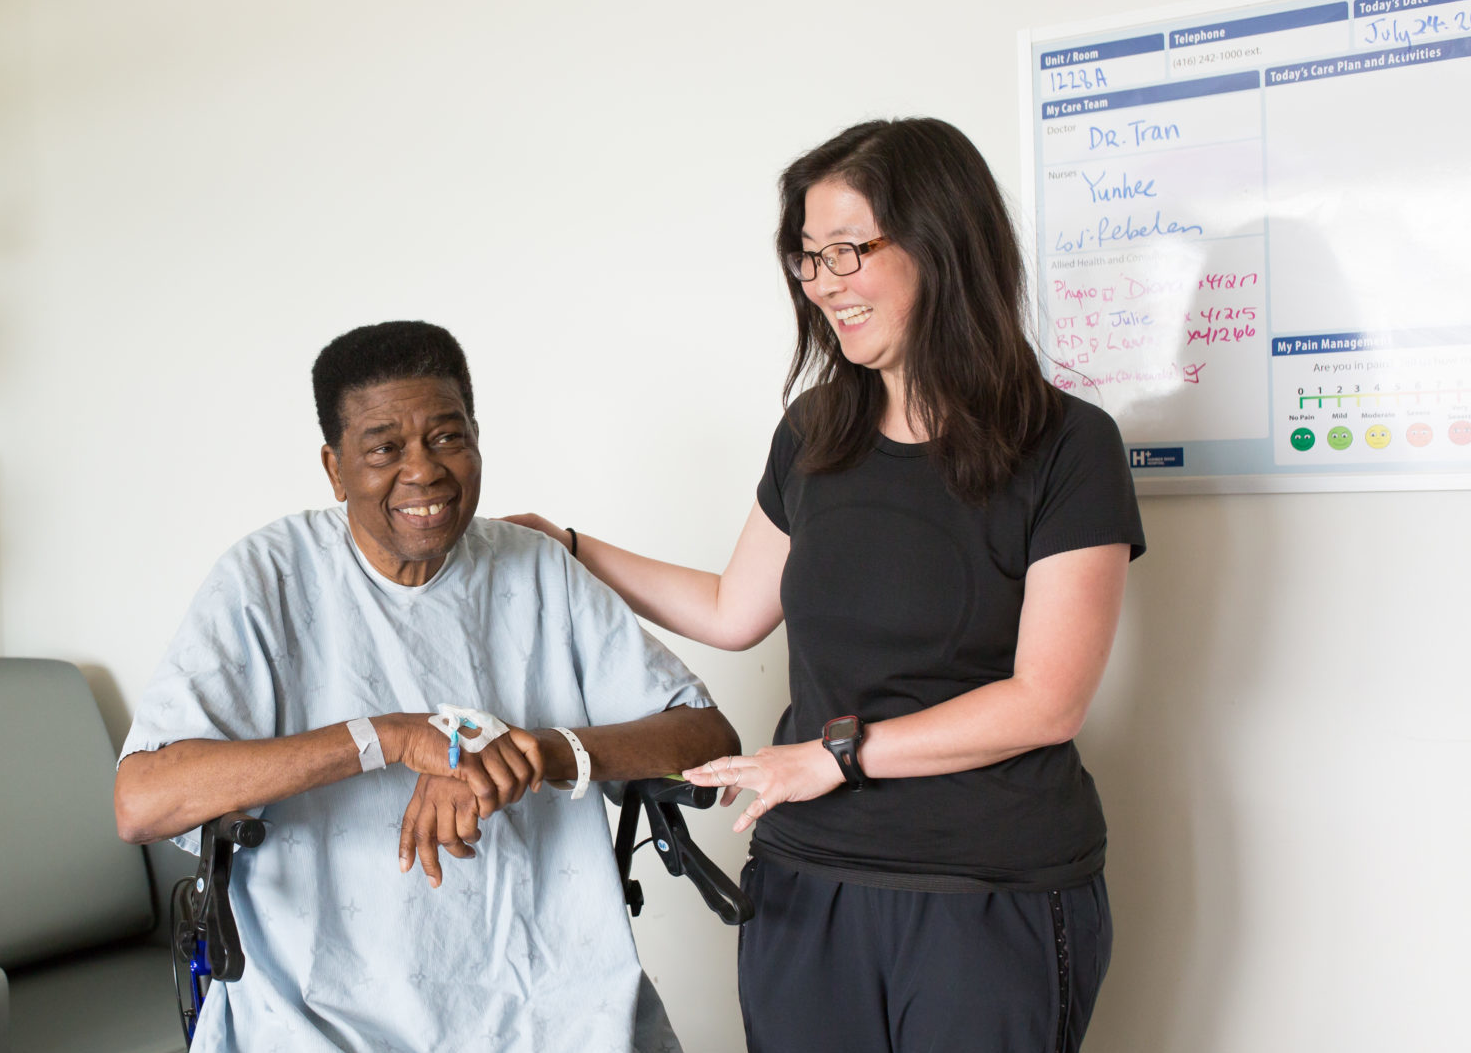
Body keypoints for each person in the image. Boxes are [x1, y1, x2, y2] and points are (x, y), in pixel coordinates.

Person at [507, 118, 1145, 1052]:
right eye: (809, 259)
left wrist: (831, 757)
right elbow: (733, 610)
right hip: (809, 881)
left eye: (849, 252)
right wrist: (568, 546)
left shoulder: (1067, 446)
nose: (825, 285)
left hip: (987, 889)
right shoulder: (815, 434)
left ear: (945, 244)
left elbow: (1048, 701)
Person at [113, 319, 740, 1053]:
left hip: (553, 1003)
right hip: (320, 1011)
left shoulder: (536, 569)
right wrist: (388, 738)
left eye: (448, 438)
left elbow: (706, 735)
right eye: (384, 448)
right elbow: (142, 800)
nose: (424, 471)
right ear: (335, 467)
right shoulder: (267, 579)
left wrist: (535, 751)